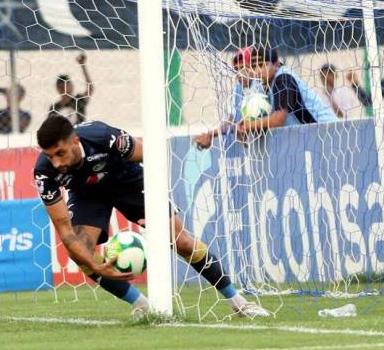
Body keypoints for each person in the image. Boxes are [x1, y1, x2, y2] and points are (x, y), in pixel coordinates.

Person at [34, 115, 269, 319]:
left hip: (128, 180)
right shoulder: (44, 172)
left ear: (75, 141)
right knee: (82, 255)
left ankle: (239, 302)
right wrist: (96, 266)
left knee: (182, 242)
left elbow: (152, 158)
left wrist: (155, 208)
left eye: (60, 153)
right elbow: (64, 230)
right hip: (87, 194)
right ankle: (142, 305)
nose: (56, 162)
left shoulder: (105, 136)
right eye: (50, 156)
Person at [237, 47, 338, 137]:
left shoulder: (283, 79)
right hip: (313, 135)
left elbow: (278, 120)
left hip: (329, 131)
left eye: (262, 65)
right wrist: (246, 127)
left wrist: (249, 125)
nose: (258, 71)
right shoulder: (263, 84)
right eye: (254, 67)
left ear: (276, 64)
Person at [194, 46, 266, 149]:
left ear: (255, 67)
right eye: (236, 70)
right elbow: (230, 121)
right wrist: (210, 134)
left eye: (243, 68)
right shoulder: (239, 87)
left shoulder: (260, 86)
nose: (239, 74)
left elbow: (248, 124)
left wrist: (213, 134)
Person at [48, 52, 93, 124]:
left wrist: (83, 66)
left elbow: (90, 88)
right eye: (60, 86)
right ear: (57, 87)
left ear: (71, 86)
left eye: (65, 85)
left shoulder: (78, 101)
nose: (62, 88)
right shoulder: (55, 107)